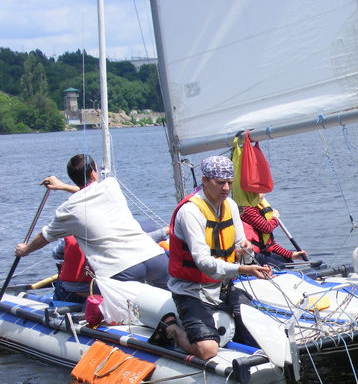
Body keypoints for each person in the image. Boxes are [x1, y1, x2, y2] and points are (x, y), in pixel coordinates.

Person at [153, 155, 272, 360]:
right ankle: (172, 329)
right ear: (205, 180)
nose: (225, 188)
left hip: (222, 287)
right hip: (191, 290)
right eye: (219, 182)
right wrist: (244, 269)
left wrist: (245, 250)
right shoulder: (190, 212)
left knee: (260, 330)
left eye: (229, 182)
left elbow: (239, 245)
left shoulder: (231, 205)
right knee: (207, 350)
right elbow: (204, 263)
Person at [14, 154, 169, 290]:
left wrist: (25, 250)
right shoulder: (111, 186)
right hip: (154, 257)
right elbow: (90, 191)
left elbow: (44, 237)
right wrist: (62, 186)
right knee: (174, 302)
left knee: (127, 316)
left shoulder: (67, 210)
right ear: (94, 172)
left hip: (120, 268)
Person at [238, 196, 306, 268]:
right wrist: (275, 219)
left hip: (260, 252)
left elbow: (268, 244)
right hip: (249, 256)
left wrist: (291, 255)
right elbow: (267, 228)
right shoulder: (246, 209)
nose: (261, 194)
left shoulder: (258, 209)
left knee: (288, 262)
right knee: (281, 266)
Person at [51, 236, 93, 304]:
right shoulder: (109, 235)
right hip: (97, 290)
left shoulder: (70, 233)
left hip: (69, 289)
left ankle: (57, 306)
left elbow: (56, 254)